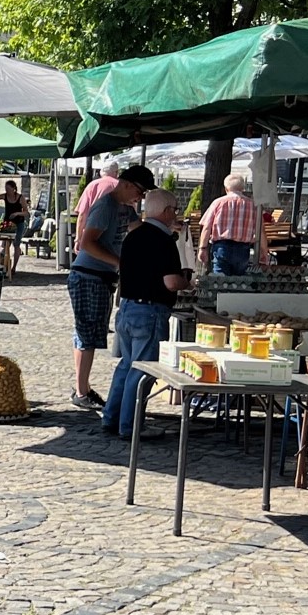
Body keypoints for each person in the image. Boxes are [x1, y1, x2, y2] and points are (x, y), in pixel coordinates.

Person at [100, 189, 192, 440]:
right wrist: (187, 282)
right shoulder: (163, 240)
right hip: (149, 311)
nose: (176, 214)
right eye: (174, 209)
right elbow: (171, 282)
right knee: (142, 371)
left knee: (126, 367)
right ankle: (130, 426)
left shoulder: (133, 235)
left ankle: (111, 418)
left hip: (128, 307)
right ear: (165, 212)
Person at [68, 164, 155, 411]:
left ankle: (81, 387)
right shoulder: (106, 206)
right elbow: (87, 243)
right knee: (88, 335)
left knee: (89, 334)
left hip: (101, 277)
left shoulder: (124, 208)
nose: (141, 197)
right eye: (140, 191)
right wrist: (121, 262)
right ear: (127, 184)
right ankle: (81, 391)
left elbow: (140, 229)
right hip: (88, 276)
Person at [196, 174, 262, 275]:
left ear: (226, 188)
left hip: (222, 247)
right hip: (243, 249)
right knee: (238, 282)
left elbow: (207, 227)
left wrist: (202, 248)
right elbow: (261, 230)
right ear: (243, 188)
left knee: (220, 282)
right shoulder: (254, 205)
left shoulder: (218, 202)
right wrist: (263, 250)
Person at [0, 179, 28, 276]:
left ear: (13, 189)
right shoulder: (4, 196)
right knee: (5, 244)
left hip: (19, 223)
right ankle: (2, 264)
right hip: (7, 224)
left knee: (16, 245)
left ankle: (14, 267)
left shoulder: (20, 198)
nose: (6, 190)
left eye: (8, 189)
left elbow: (26, 212)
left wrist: (17, 213)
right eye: (5, 188)